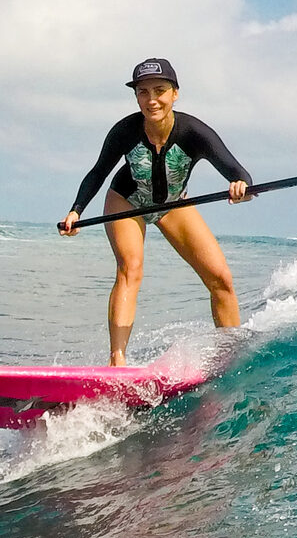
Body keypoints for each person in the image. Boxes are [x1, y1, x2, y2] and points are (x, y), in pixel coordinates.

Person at [59, 58, 253, 365]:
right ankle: (117, 361)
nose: (152, 99)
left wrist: (240, 188)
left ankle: (231, 357)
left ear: (175, 93)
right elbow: (98, 172)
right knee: (130, 269)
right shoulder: (125, 130)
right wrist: (76, 211)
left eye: (159, 90)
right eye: (143, 92)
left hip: (172, 204)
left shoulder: (194, 132)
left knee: (221, 279)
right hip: (128, 201)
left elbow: (237, 172)